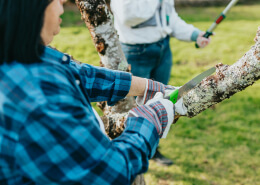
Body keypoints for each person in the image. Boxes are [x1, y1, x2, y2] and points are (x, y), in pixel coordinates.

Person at [0, 0, 187, 184]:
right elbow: (112, 172)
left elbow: (82, 75)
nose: (64, 1)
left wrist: (147, 86)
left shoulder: (24, 54)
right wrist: (150, 118)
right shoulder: (39, 100)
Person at [111, 0, 211, 166]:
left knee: (160, 99)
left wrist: (194, 34)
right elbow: (127, 15)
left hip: (162, 48)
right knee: (132, 106)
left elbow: (168, 17)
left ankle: (152, 147)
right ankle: (129, 154)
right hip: (135, 51)